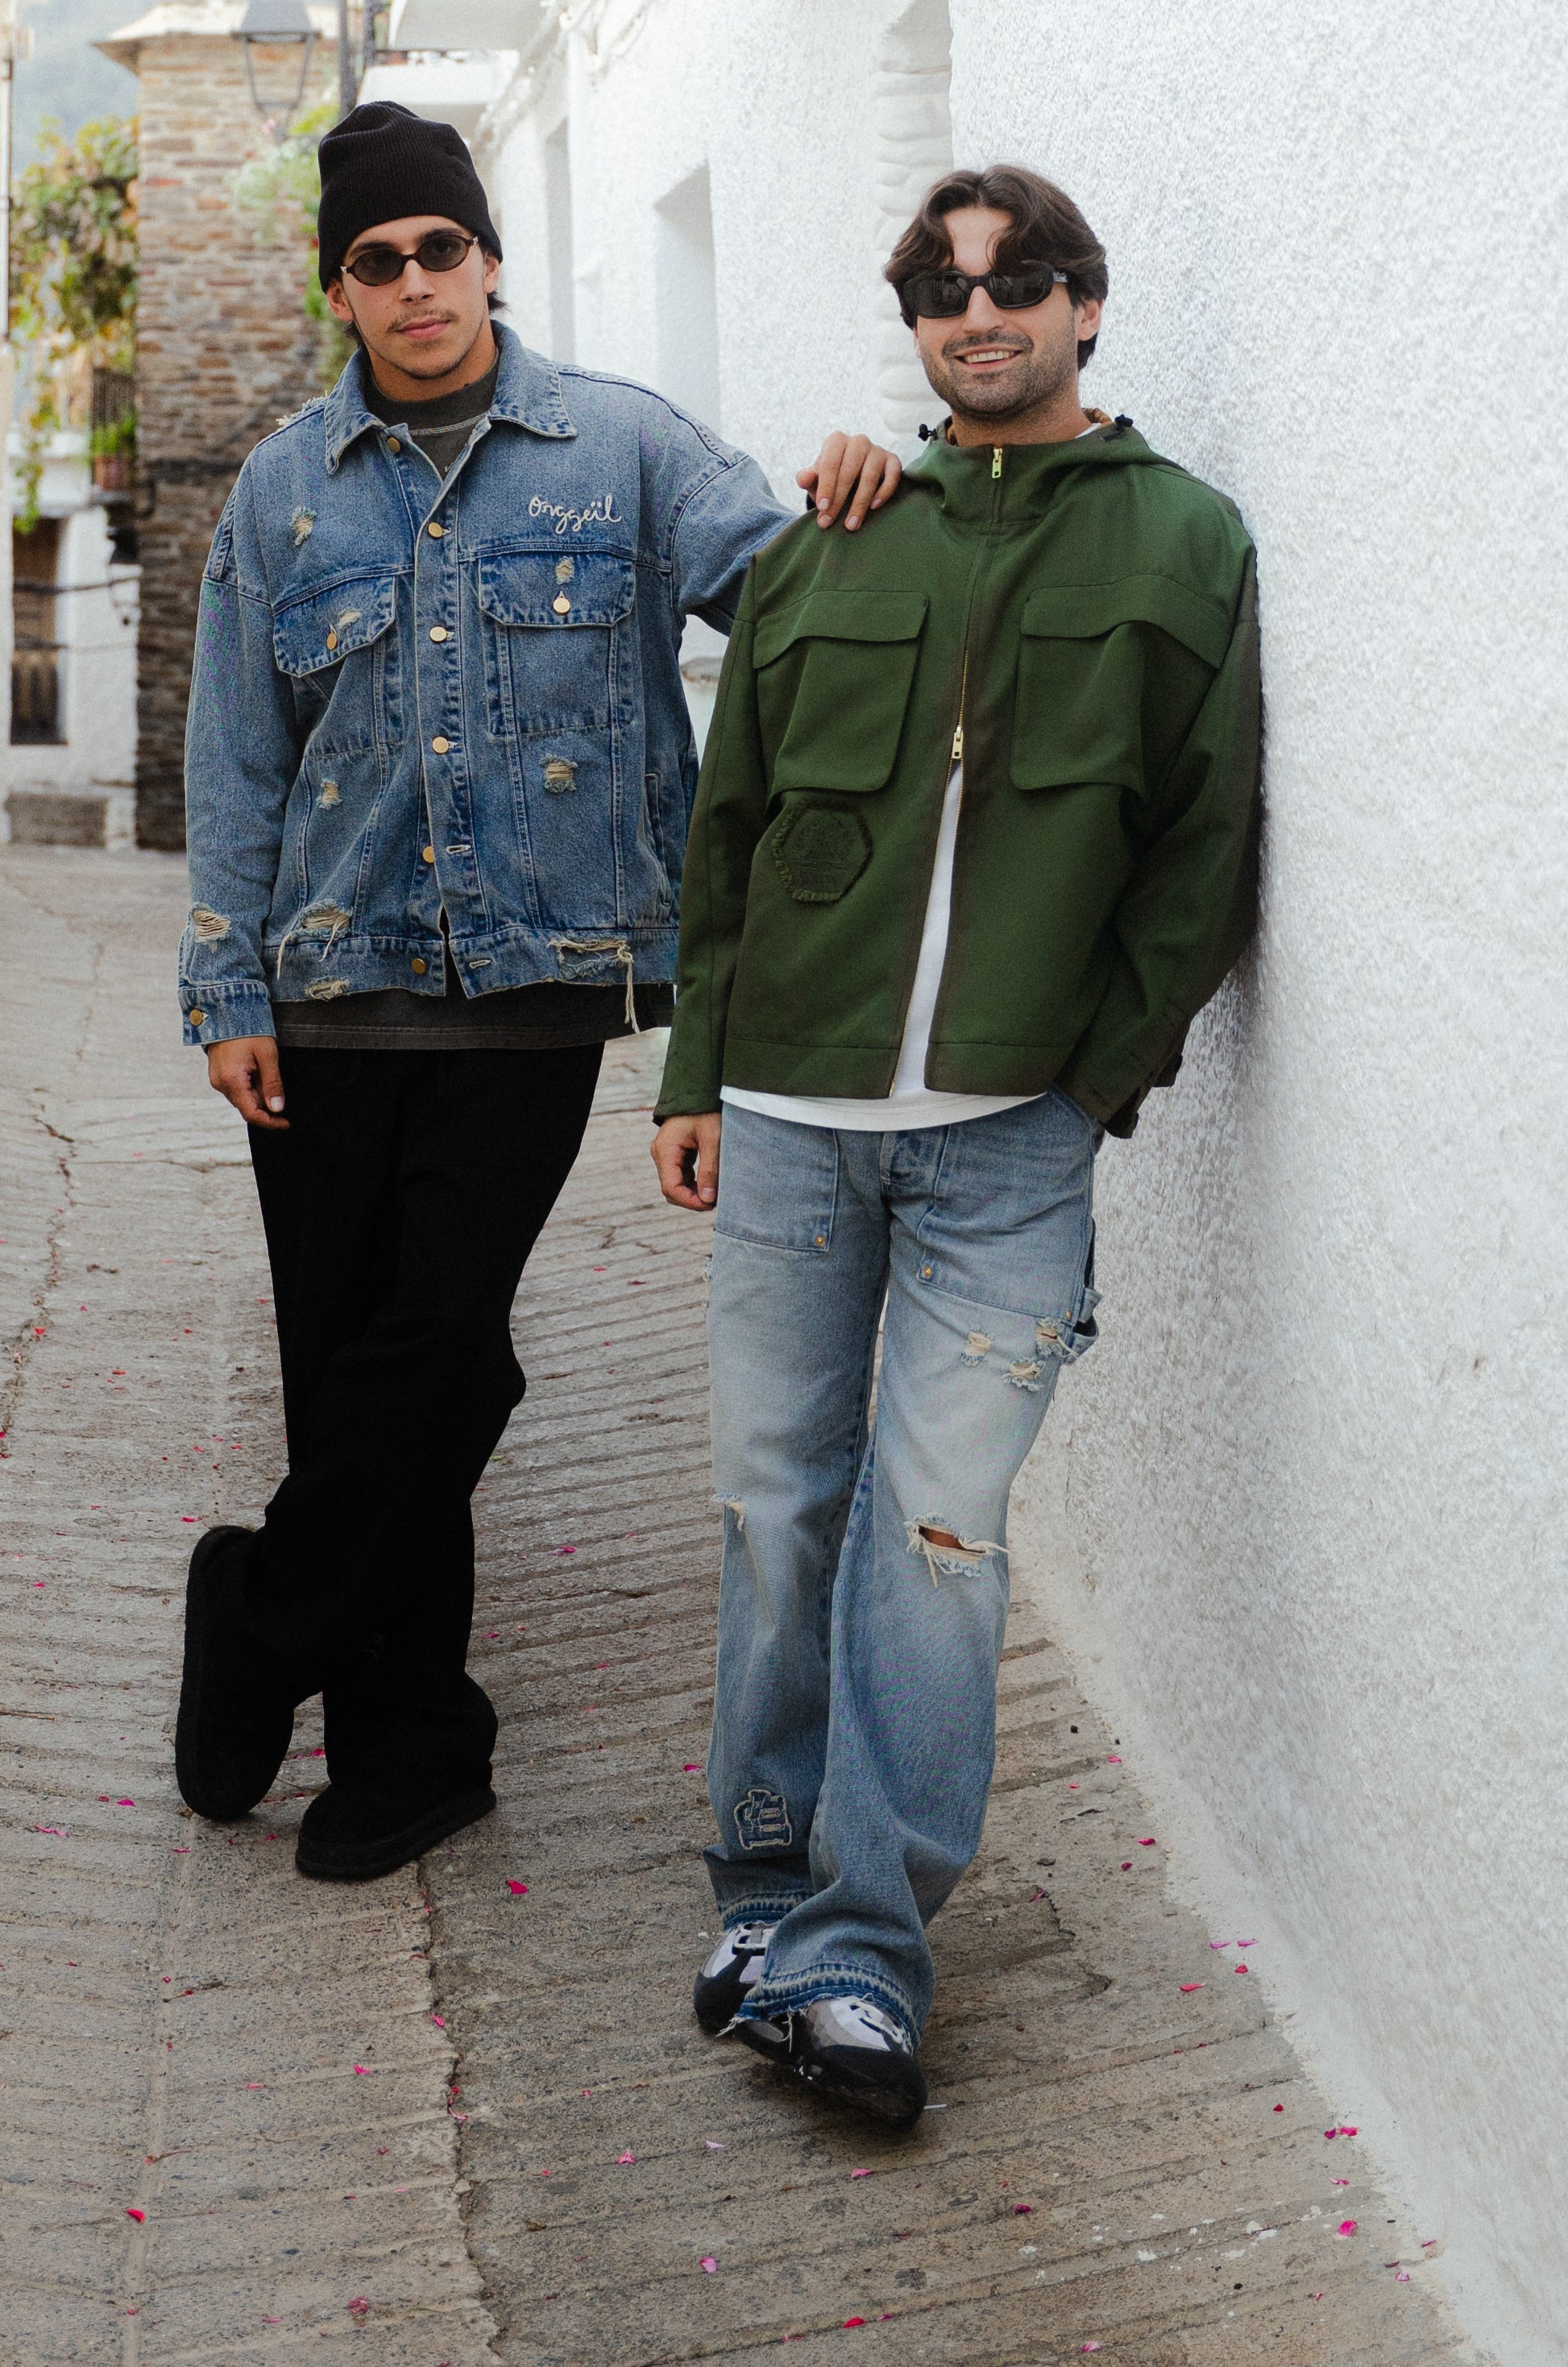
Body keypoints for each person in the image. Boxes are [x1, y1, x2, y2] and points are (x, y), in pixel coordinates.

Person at [174, 102, 904, 1883]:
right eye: (377, 261)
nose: (415, 282)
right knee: (347, 1373)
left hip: (534, 991)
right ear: (341, 291)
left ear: (488, 260)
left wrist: (881, 490)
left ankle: (257, 1614)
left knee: (439, 1347)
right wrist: (226, 982)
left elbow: (800, 601)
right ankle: (412, 1746)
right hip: (323, 992)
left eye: (442, 247)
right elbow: (236, 756)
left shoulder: (625, 449)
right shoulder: (281, 491)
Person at [653, 164, 1261, 2127]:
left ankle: (858, 1956)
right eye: (939, 290)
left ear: (1088, 305)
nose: (978, 316)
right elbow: (734, 828)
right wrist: (694, 1073)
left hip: (1007, 1140)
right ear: (912, 323)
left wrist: (1092, 1082)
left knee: (934, 1537)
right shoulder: (835, 535)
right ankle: (761, 1894)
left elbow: (1202, 845)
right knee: (777, 1512)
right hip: (791, 1119)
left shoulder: (1184, 539)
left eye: (1020, 282)